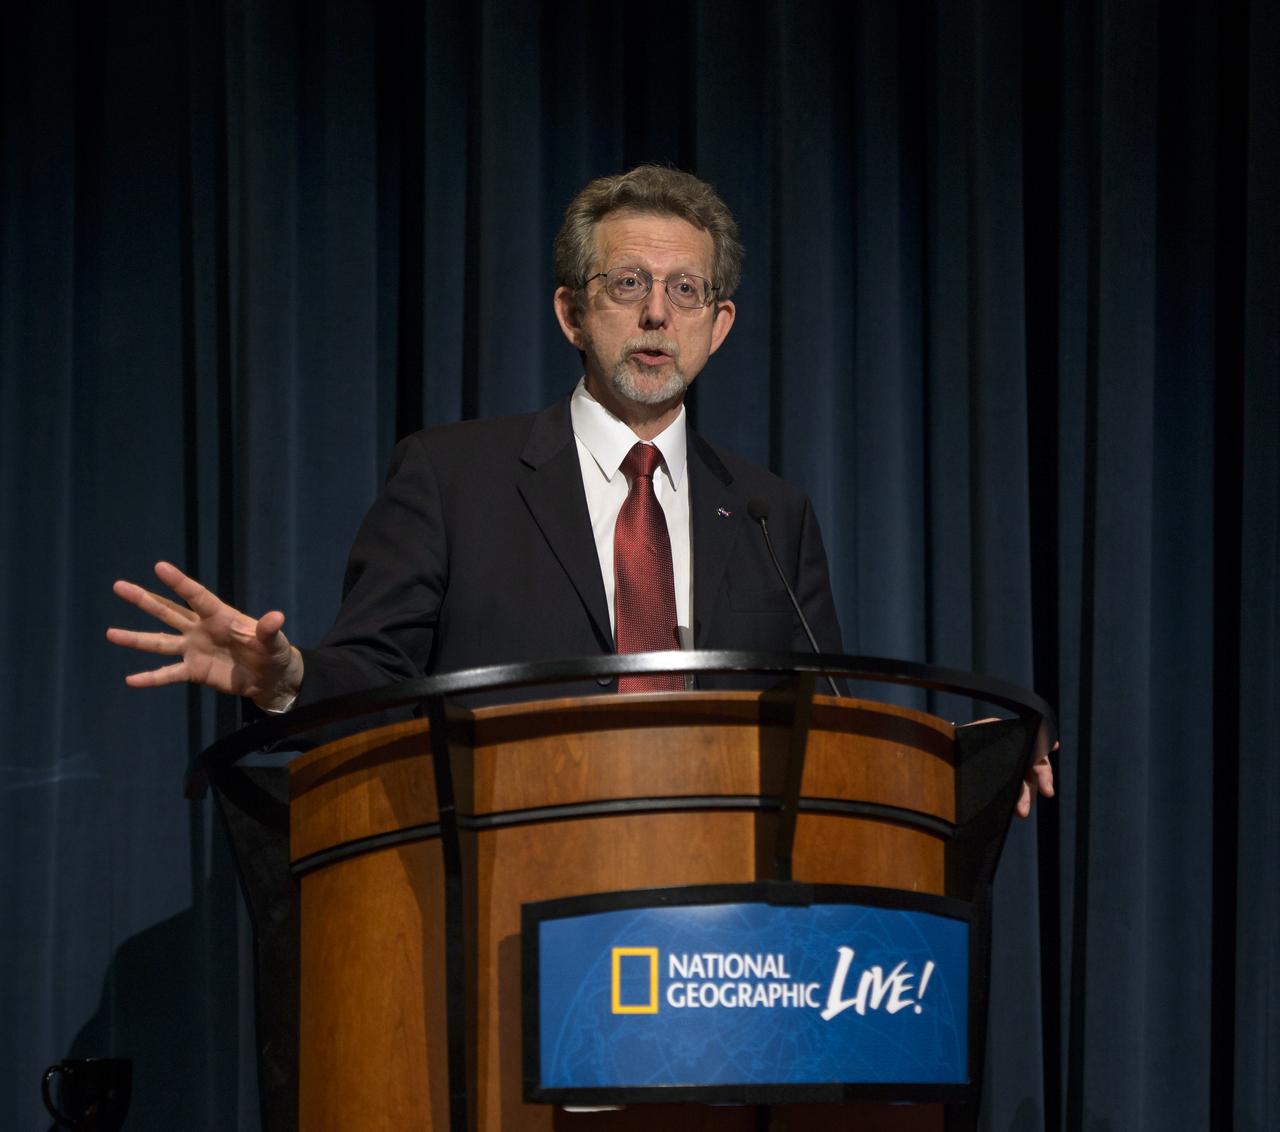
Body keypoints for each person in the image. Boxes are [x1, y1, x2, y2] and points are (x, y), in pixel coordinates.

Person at [107, 165, 1053, 814]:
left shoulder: (770, 512)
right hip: (503, 891)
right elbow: (374, 682)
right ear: (570, 310)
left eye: (686, 292)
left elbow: (831, 720)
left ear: (718, 326)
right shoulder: (451, 476)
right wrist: (290, 680)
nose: (655, 313)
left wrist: (954, 767)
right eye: (628, 282)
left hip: (721, 919)